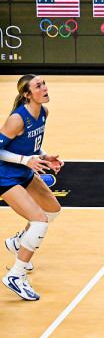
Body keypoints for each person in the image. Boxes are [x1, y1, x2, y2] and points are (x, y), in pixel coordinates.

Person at [0, 76, 64, 302]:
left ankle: (18, 243)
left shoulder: (43, 112)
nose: (44, 88)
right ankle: (16, 276)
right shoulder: (16, 119)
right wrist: (25, 161)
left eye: (44, 83)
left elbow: (32, 143)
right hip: (5, 175)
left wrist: (44, 156)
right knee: (39, 220)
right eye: (38, 86)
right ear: (27, 94)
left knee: (52, 210)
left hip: (22, 169)